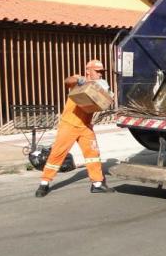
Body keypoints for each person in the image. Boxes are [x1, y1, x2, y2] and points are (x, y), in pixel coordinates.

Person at [35, 59, 115, 198]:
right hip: (69, 124)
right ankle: (44, 183)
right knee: (57, 154)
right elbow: (67, 81)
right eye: (97, 71)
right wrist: (79, 80)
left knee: (93, 154)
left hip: (85, 126)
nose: (100, 74)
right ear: (88, 71)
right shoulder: (79, 80)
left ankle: (97, 184)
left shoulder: (99, 86)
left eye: (102, 72)